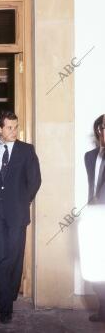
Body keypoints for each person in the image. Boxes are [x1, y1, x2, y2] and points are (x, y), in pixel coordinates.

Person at [0, 110, 41, 324]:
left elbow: (34, 181)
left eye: (16, 127)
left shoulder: (26, 150)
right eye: (9, 127)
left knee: (14, 258)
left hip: (17, 212)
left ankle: (11, 291)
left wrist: (21, 200)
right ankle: (4, 306)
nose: (14, 131)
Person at [84, 114, 105, 322]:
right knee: (95, 269)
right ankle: (103, 308)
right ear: (99, 131)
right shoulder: (89, 156)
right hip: (96, 220)